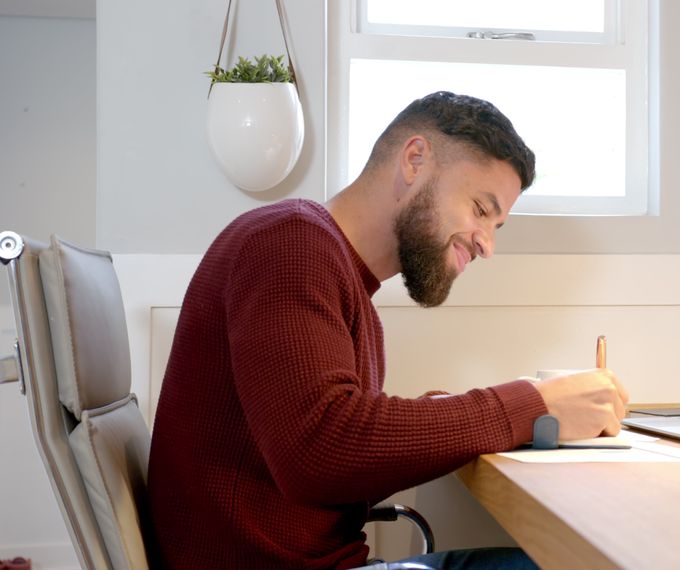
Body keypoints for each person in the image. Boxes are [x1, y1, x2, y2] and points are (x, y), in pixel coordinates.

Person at [147, 91, 630, 569]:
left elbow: (327, 457)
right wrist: (533, 405)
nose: (487, 245)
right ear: (415, 160)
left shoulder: (335, 274)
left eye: (496, 225)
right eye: (481, 209)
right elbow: (318, 453)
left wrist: (439, 414)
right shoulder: (288, 242)